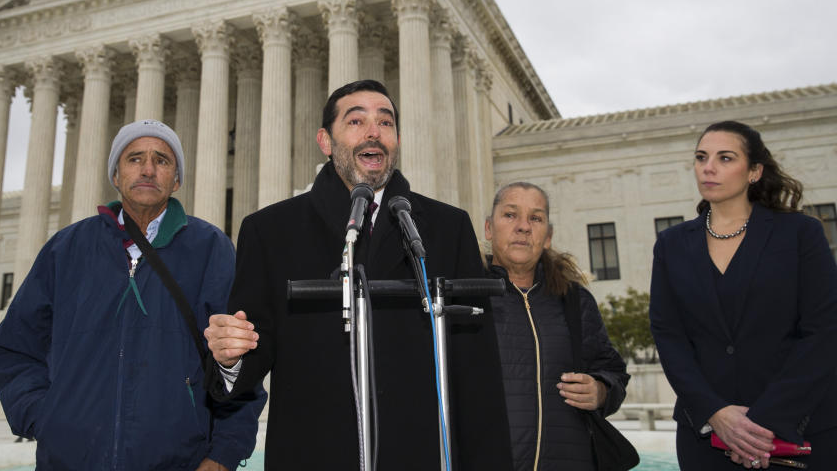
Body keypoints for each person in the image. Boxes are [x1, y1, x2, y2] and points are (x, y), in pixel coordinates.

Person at [203, 80, 511, 470]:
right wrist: (229, 359)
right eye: (356, 121)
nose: (373, 132)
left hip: (418, 454)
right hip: (313, 454)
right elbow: (251, 355)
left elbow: (476, 374)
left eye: (385, 122)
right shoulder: (270, 231)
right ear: (325, 141)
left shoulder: (447, 229)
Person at [0, 119, 265, 471]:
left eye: (162, 160)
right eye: (134, 159)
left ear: (176, 179)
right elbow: (13, 348)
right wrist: (45, 417)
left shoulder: (210, 249)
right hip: (70, 460)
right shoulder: (67, 248)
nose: (148, 169)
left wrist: (224, 454)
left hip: (179, 460)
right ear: (115, 176)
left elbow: (238, 361)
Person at [650, 120, 837, 469]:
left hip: (800, 431)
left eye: (725, 158)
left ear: (754, 171)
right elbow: (669, 335)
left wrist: (763, 422)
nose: (709, 167)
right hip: (705, 437)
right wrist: (716, 414)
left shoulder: (800, 234)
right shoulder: (671, 245)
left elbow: (824, 332)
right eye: (701, 157)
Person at [484, 181, 629, 470]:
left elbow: (612, 371)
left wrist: (600, 390)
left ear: (547, 236)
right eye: (510, 215)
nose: (523, 227)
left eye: (535, 218)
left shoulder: (574, 300)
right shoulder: (464, 298)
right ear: (489, 228)